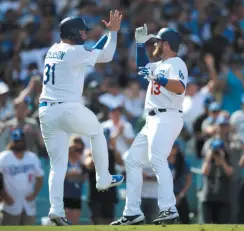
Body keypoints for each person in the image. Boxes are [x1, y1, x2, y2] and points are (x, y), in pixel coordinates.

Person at [38, 13, 124, 226]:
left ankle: (56, 210)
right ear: (73, 32)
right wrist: (113, 32)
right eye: (82, 30)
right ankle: (103, 178)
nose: (85, 33)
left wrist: (103, 38)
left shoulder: (53, 49)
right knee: (97, 133)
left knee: (58, 165)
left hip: (46, 111)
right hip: (67, 108)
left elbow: (92, 51)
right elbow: (106, 56)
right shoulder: (74, 51)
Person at [112, 24, 188, 225]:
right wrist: (138, 45)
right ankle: (132, 212)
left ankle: (169, 208)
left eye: (157, 41)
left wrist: (159, 77)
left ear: (167, 44)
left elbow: (179, 88)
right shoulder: (159, 65)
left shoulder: (176, 62)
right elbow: (142, 68)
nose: (154, 44)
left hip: (167, 116)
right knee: (132, 160)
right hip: (153, 119)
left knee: (157, 160)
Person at [0, 129, 44, 225]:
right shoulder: (3, 157)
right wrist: (4, 196)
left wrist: (34, 194)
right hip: (9, 205)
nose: (19, 143)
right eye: (16, 141)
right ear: (11, 141)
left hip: (28, 205)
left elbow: (40, 178)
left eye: (21, 141)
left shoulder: (32, 158)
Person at [85, 128, 123, 225]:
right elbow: (88, 164)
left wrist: (113, 146)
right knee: (96, 223)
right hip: (95, 194)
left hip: (109, 193)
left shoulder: (112, 151)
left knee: (109, 222)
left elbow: (121, 162)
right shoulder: (91, 151)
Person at [201, 139, 234, 224]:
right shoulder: (208, 163)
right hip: (208, 199)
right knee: (207, 225)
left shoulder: (228, 163)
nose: (216, 154)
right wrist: (209, 157)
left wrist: (222, 160)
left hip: (223, 200)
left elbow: (230, 172)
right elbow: (204, 172)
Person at [63, 136, 86, 224]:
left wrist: (71, 175)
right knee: (66, 219)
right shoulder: (65, 161)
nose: (76, 152)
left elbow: (83, 178)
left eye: (79, 150)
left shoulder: (81, 163)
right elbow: (62, 176)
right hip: (65, 195)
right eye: (74, 149)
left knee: (75, 220)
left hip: (76, 195)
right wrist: (72, 174)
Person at [168, 141, 192, 224]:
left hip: (179, 195)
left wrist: (180, 195)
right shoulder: (163, 162)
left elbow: (188, 181)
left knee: (185, 221)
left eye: (174, 147)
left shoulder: (183, 162)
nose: (172, 150)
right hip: (166, 196)